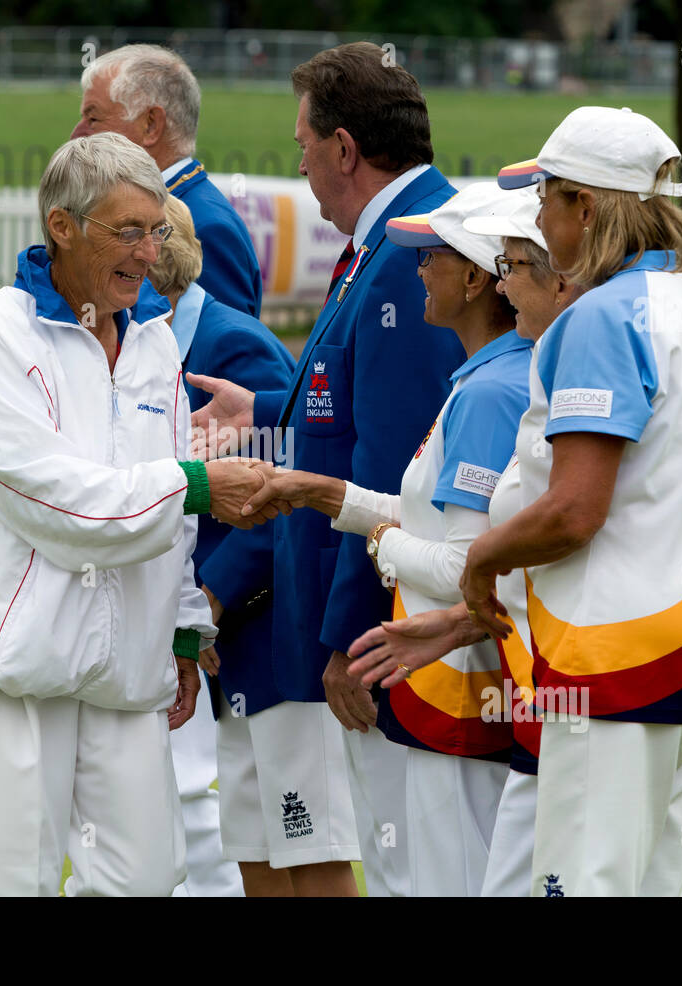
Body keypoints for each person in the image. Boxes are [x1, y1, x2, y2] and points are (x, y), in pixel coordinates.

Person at [353, 106, 682, 897]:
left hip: (606, 674)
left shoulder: (601, 315)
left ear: (584, 205)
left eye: (546, 196)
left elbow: (575, 510)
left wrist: (479, 565)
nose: (537, 215)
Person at [0, 132, 274, 897]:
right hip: (3, 674)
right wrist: (196, 483)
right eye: (128, 231)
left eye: (158, 230)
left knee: (144, 879)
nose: (148, 253)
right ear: (63, 226)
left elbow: (169, 530)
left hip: (121, 672)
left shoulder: (152, 346)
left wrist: (180, 629)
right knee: (1, 885)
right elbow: (47, 497)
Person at [190, 42, 466, 897]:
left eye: (303, 145)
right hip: (371, 620)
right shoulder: (383, 244)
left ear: (345, 148)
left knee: (397, 872)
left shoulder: (412, 251)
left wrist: (353, 636)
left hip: (388, 632)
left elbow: (391, 462)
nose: (300, 166)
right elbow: (342, 413)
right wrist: (265, 413)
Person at [239, 183, 541, 895]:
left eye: (430, 257)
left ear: (475, 278)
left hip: (461, 697)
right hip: (449, 690)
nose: (416, 273)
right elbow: (435, 524)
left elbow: (465, 564)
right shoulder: (483, 379)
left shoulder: (490, 392)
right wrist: (317, 491)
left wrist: (377, 542)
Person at [148, 194, 296, 896]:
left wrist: (207, 599)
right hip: (174, 624)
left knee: (223, 824)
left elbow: (282, 495)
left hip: (233, 631)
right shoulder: (136, 341)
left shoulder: (237, 346)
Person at [71, 44, 265, 317]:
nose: (77, 136)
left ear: (151, 125)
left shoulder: (204, 227)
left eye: (93, 119)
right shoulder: (177, 209)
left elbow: (223, 350)